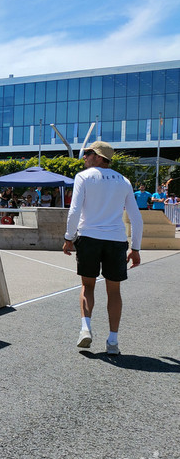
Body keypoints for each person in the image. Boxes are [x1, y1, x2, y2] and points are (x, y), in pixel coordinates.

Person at [63, 141, 142, 356]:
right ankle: (113, 341)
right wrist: (135, 248)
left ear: (98, 157)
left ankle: (85, 328)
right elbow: (136, 217)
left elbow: (74, 211)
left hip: (88, 237)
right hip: (116, 240)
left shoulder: (83, 177)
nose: (84, 157)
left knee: (87, 286)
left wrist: (68, 237)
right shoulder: (124, 181)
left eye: (87, 153)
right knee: (114, 291)